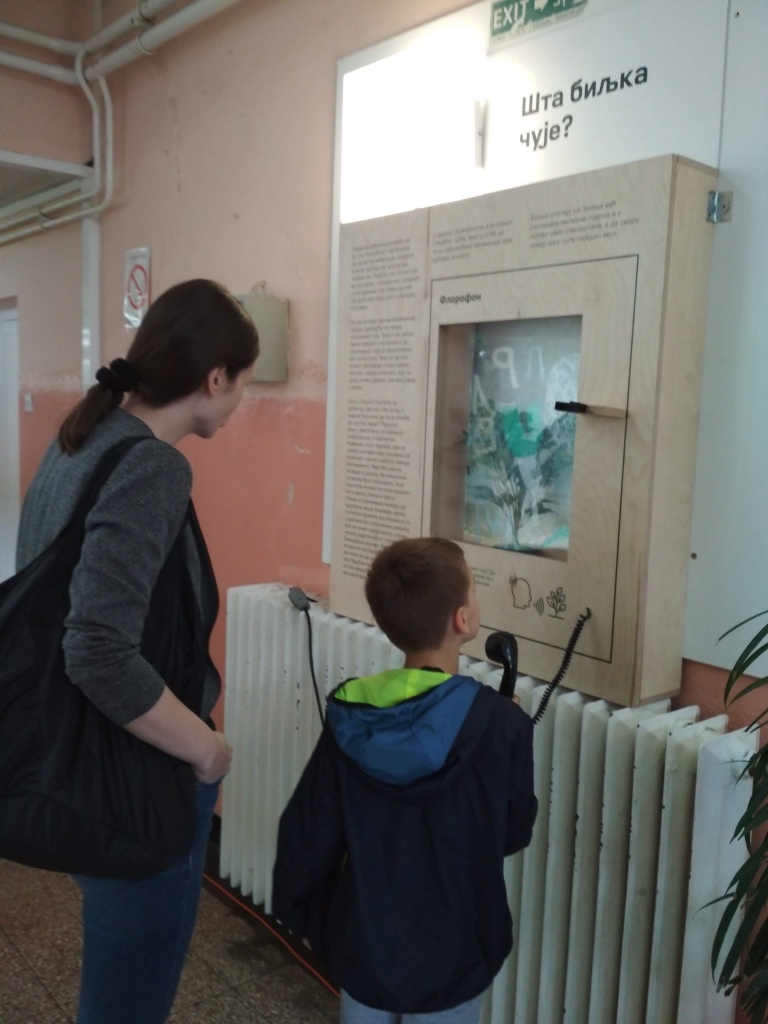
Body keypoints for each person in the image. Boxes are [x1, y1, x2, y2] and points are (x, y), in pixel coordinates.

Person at [15, 278, 259, 1024]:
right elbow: (96, 648)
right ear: (215, 379)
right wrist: (208, 752)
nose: (241, 400)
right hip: (131, 773)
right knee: (129, 1005)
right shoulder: (153, 466)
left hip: (71, 757)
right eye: (242, 382)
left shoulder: (83, 436)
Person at [272, 536, 538, 1024]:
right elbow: (512, 833)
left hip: (367, 946)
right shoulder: (501, 724)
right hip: (454, 954)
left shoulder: (354, 715)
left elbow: (311, 830)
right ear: (463, 619)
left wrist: (307, 917)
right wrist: (502, 730)